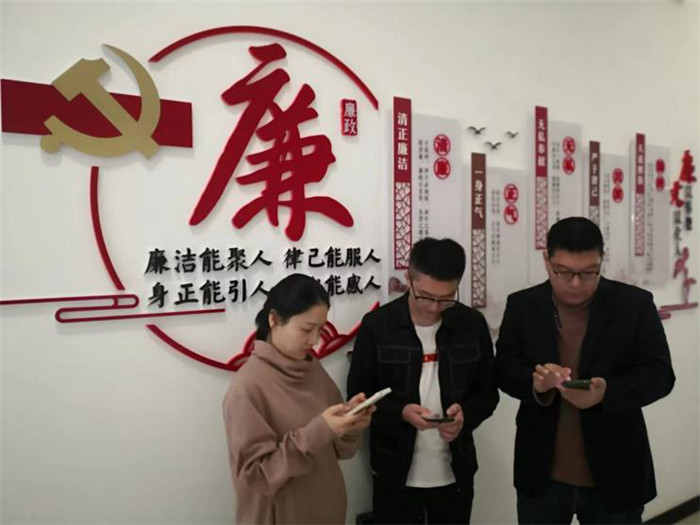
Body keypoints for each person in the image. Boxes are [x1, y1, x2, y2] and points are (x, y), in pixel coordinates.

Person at [496, 217, 675, 524]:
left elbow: (660, 374)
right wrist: (537, 385)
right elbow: (504, 368)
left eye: (588, 272)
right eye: (563, 272)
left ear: (601, 261)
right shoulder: (523, 306)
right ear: (546, 261)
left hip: (615, 471)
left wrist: (607, 393)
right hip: (541, 474)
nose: (576, 283)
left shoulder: (633, 305)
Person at [347, 237, 499, 524]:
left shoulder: (471, 324)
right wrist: (401, 412)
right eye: (426, 297)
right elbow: (358, 395)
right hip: (394, 470)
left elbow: (488, 393)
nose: (434, 307)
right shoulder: (379, 326)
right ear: (409, 278)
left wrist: (465, 416)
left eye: (446, 298)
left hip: (456, 470)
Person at [223, 273, 374, 524]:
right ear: (273, 319)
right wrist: (319, 431)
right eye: (306, 329)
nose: (314, 340)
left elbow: (341, 451)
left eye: (320, 330)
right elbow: (256, 476)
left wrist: (351, 424)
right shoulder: (248, 387)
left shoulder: (312, 369)